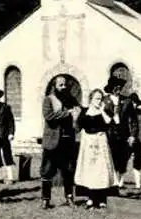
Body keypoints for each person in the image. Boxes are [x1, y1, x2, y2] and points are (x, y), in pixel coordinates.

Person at [40, 75, 81, 209]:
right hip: (52, 140)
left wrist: (79, 112)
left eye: (65, 85)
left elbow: (79, 112)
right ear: (55, 86)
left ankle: (69, 198)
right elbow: (49, 116)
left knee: (68, 170)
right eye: (60, 85)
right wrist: (68, 113)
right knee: (47, 170)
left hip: (67, 141)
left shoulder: (71, 100)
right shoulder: (48, 99)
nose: (63, 87)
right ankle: (45, 199)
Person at [74, 89, 117, 209]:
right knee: (90, 170)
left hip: (101, 142)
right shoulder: (85, 112)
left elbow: (109, 123)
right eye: (96, 98)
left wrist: (102, 110)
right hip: (88, 144)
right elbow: (78, 126)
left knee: (101, 170)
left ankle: (102, 198)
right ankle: (91, 198)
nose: (99, 101)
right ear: (91, 100)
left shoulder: (104, 111)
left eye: (100, 98)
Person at [102, 76, 138, 189]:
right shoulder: (104, 101)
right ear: (111, 88)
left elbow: (133, 120)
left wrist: (132, 135)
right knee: (109, 158)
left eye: (120, 87)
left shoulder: (127, 101)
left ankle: (120, 181)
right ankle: (110, 181)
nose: (118, 89)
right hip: (108, 134)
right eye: (115, 87)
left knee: (123, 158)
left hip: (123, 135)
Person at [123, 92, 141, 190]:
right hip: (126, 140)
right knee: (123, 160)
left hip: (139, 141)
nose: (134, 105)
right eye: (132, 103)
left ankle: (138, 184)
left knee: (138, 161)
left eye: (135, 103)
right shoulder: (123, 114)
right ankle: (119, 182)